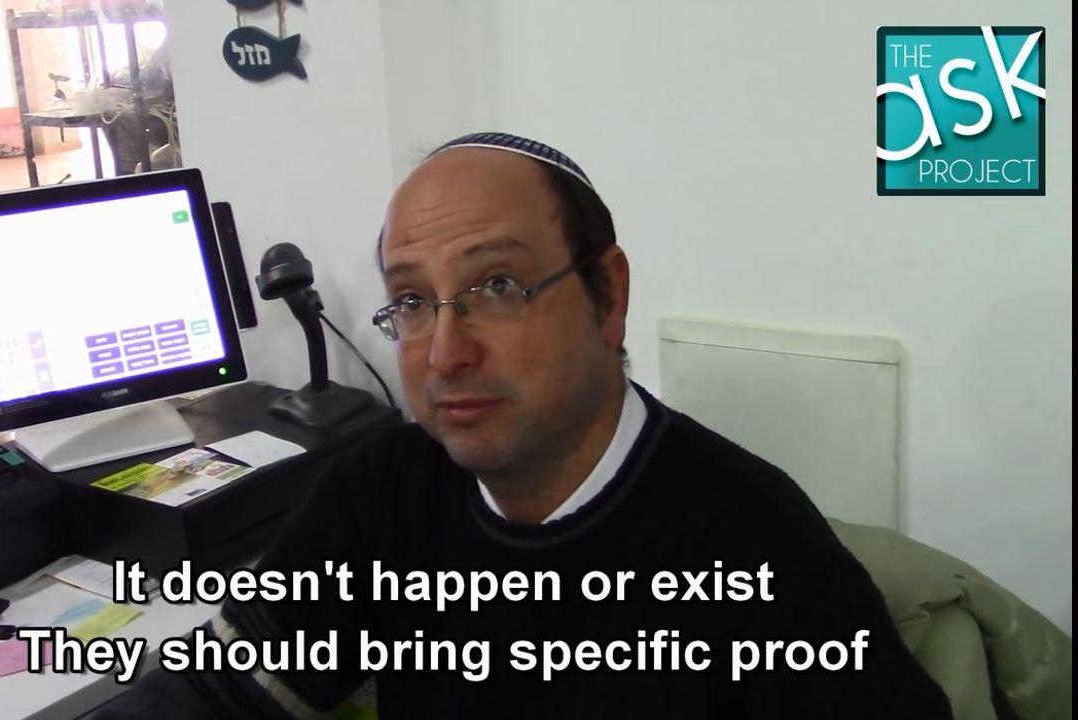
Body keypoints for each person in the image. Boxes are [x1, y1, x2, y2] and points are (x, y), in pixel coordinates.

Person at [98, 132, 953, 718]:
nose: (445, 353)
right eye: (412, 302)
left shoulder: (765, 558)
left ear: (608, 296)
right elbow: (213, 693)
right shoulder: (382, 490)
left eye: (498, 287)